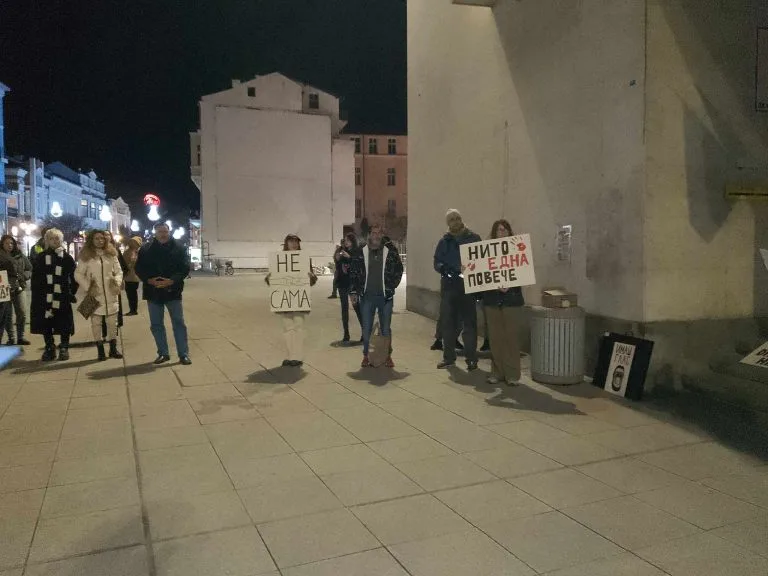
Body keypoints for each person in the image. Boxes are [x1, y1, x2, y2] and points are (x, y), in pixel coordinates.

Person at [134, 222, 191, 365]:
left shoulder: (179, 248)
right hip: (153, 292)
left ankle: (183, 354)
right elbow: (139, 268)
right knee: (156, 324)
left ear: (169, 231)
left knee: (178, 323)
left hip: (173, 291)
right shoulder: (146, 249)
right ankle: (163, 353)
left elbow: (184, 268)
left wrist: (171, 281)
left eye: (165, 231)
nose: (163, 234)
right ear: (155, 233)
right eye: (160, 231)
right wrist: (149, 280)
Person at [434, 209, 482, 370]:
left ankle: (471, 359)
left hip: (468, 288)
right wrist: (444, 269)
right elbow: (437, 261)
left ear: (461, 219)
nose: (455, 221)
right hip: (449, 288)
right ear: (448, 223)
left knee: (469, 325)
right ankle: (448, 358)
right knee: (448, 324)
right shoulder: (444, 242)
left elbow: (482, 260)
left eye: (457, 218)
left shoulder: (473, 238)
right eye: (451, 219)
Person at [350, 225, 404, 368]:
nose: (376, 236)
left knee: (386, 329)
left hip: (385, 298)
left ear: (382, 235)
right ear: (369, 235)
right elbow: (354, 272)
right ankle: (366, 356)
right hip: (367, 297)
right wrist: (353, 292)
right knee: (367, 327)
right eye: (374, 233)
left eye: (379, 233)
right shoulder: (361, 252)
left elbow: (399, 269)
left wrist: (392, 286)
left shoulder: (390, 251)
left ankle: (387, 356)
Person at [482, 219, 525, 386]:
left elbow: (523, 271)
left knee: (511, 339)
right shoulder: (486, 252)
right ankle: (497, 372)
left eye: (505, 229)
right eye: (499, 230)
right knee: (495, 339)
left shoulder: (518, 249)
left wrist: (511, 285)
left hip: (512, 301)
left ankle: (512, 375)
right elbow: (481, 274)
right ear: (494, 233)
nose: (502, 232)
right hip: (492, 300)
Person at [265, 233, 317, 366]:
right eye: (291, 241)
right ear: (286, 243)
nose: (294, 244)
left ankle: (297, 357)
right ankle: (290, 355)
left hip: (299, 298)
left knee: (299, 327)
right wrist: (270, 278)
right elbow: (271, 280)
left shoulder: (304, 259)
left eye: (296, 242)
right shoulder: (279, 259)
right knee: (288, 328)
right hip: (285, 299)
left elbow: (312, 280)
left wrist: (310, 277)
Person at [75, 230, 124, 361]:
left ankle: (113, 348)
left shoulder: (111, 254)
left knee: (112, 323)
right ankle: (100, 350)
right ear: (91, 240)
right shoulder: (86, 256)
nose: (100, 241)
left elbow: (119, 271)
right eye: (96, 238)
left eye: (102, 238)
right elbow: (78, 274)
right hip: (95, 294)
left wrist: (116, 282)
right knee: (96, 323)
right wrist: (88, 286)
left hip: (111, 293)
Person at [30, 228, 77, 361]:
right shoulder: (41, 257)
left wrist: (71, 292)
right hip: (45, 297)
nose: (55, 241)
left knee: (64, 322)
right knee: (46, 322)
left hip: (62, 296)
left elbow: (74, 277)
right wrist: (37, 294)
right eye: (51, 238)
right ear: (47, 241)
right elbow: (36, 278)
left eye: (57, 238)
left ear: (61, 240)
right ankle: (49, 347)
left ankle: (64, 347)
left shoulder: (67, 258)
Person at [0, 235, 32, 345]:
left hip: (19, 287)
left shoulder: (20, 255)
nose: (10, 245)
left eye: (11, 243)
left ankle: (20, 337)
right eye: (7, 243)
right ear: (2, 244)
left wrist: (24, 276)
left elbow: (29, 268)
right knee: (7, 315)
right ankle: (11, 337)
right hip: (4, 288)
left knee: (22, 312)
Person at [335, 232, 363, 343]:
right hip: (342, 284)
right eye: (345, 240)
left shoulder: (357, 252)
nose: (346, 242)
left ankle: (365, 332)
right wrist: (337, 258)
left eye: (348, 240)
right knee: (344, 309)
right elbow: (337, 265)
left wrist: (350, 257)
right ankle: (346, 334)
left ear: (353, 241)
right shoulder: (341, 250)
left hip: (352, 285)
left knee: (357, 308)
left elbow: (359, 266)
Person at [0, 246, 19, 343]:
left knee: (3, 317)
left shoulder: (5, 258)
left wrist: (10, 284)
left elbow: (12, 275)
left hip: (2, 290)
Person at [123, 236, 142, 315]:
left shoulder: (140, 252)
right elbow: (123, 262)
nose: (132, 243)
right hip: (127, 275)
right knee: (130, 293)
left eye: (134, 242)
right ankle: (132, 309)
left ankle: (133, 310)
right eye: (131, 241)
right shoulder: (127, 251)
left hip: (135, 276)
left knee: (132, 293)